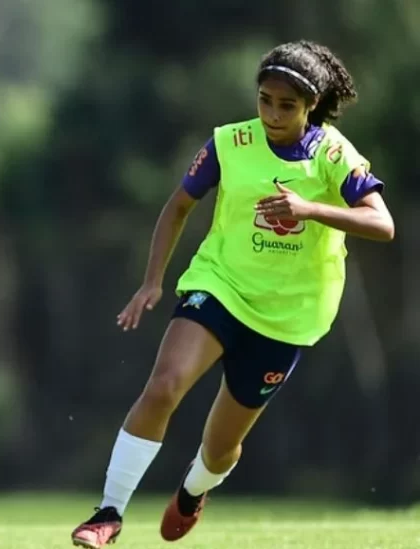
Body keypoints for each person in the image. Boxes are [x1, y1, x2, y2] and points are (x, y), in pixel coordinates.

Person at [70, 40, 395, 548]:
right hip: (219, 286)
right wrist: (152, 281)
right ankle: (107, 513)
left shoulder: (334, 155)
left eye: (286, 105)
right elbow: (179, 206)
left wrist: (311, 210)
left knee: (221, 448)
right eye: (265, 99)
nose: (271, 113)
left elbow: (382, 223)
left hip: (287, 317)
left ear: (311, 106)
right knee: (164, 385)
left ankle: (193, 492)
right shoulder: (229, 143)